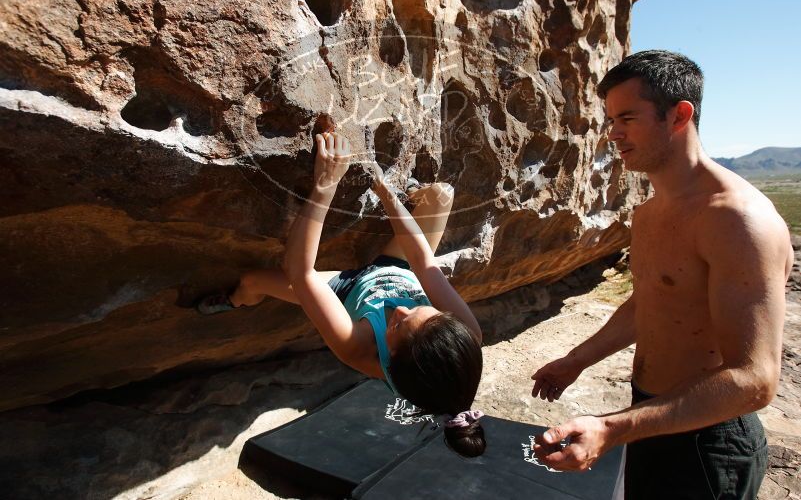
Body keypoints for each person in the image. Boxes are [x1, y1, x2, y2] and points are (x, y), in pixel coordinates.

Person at [530, 50, 793, 499]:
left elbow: (755, 380)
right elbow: (651, 300)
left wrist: (611, 429)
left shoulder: (737, 221)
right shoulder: (650, 214)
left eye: (627, 118)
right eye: (611, 120)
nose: (613, 133)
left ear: (679, 115)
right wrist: (577, 360)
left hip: (708, 442)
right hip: (652, 416)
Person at [198, 130, 486, 456]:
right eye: (424, 310)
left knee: (251, 281)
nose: (400, 311)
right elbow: (421, 261)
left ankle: (235, 301)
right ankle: (409, 194)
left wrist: (325, 185)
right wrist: (385, 192)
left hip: (347, 291)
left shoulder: (359, 348)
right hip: (399, 271)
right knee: (441, 195)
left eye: (396, 326)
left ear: (390, 356)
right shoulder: (466, 333)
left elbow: (300, 271)